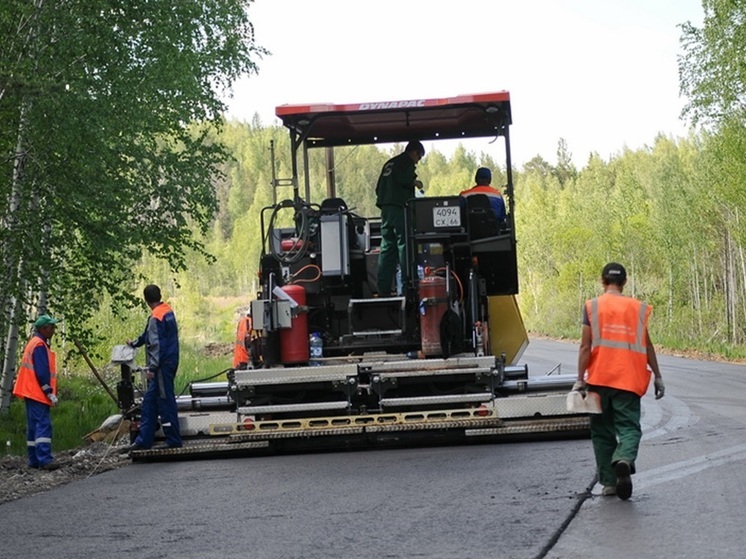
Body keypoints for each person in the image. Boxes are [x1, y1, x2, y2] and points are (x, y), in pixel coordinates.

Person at [575, 262, 665, 500]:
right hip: (628, 380)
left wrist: (579, 380)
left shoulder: (592, 306)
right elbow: (647, 345)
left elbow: (585, 346)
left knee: (602, 431)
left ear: (602, 281)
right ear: (624, 283)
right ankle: (623, 458)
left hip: (599, 379)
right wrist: (658, 376)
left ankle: (609, 483)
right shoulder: (637, 308)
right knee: (628, 427)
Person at [123, 284, 182, 452]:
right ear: (159, 295)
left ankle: (173, 439)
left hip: (162, 366)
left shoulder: (156, 317)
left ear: (146, 300)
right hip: (169, 362)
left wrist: (152, 368)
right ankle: (144, 440)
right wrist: (135, 343)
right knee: (149, 401)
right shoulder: (166, 311)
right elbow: (149, 335)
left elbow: (156, 345)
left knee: (165, 400)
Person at [13, 314, 63, 470]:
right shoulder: (40, 345)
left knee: (33, 426)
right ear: (44, 329)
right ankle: (45, 459)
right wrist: (48, 391)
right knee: (43, 425)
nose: (54, 330)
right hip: (37, 392)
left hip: (29, 391)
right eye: (52, 327)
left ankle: (34, 460)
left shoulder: (33, 343)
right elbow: (42, 372)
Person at [375, 140, 425, 296]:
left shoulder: (389, 163)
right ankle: (408, 287)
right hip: (399, 209)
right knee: (405, 247)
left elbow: (378, 188)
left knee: (387, 249)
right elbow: (404, 180)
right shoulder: (406, 162)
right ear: (414, 152)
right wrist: (415, 182)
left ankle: (383, 290)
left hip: (386, 210)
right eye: (419, 157)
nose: (418, 161)